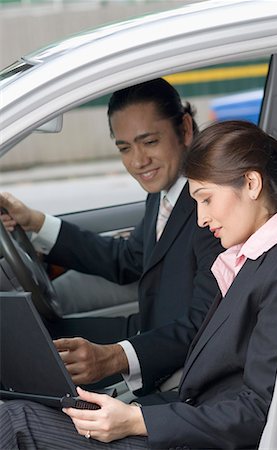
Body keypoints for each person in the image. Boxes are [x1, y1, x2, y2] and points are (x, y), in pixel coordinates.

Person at [1, 120, 277, 450]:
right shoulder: (253, 258)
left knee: (17, 421)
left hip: (203, 435)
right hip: (191, 418)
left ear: (252, 184)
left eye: (206, 199)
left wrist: (136, 420)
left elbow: (262, 411)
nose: (200, 219)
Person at [0, 78, 222, 387]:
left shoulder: (213, 206)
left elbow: (206, 324)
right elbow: (129, 259)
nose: (138, 161)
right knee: (24, 339)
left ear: (184, 129)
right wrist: (35, 222)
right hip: (151, 334)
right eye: (125, 148)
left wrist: (114, 357)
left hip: (177, 367)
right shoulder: (164, 190)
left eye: (150, 142)